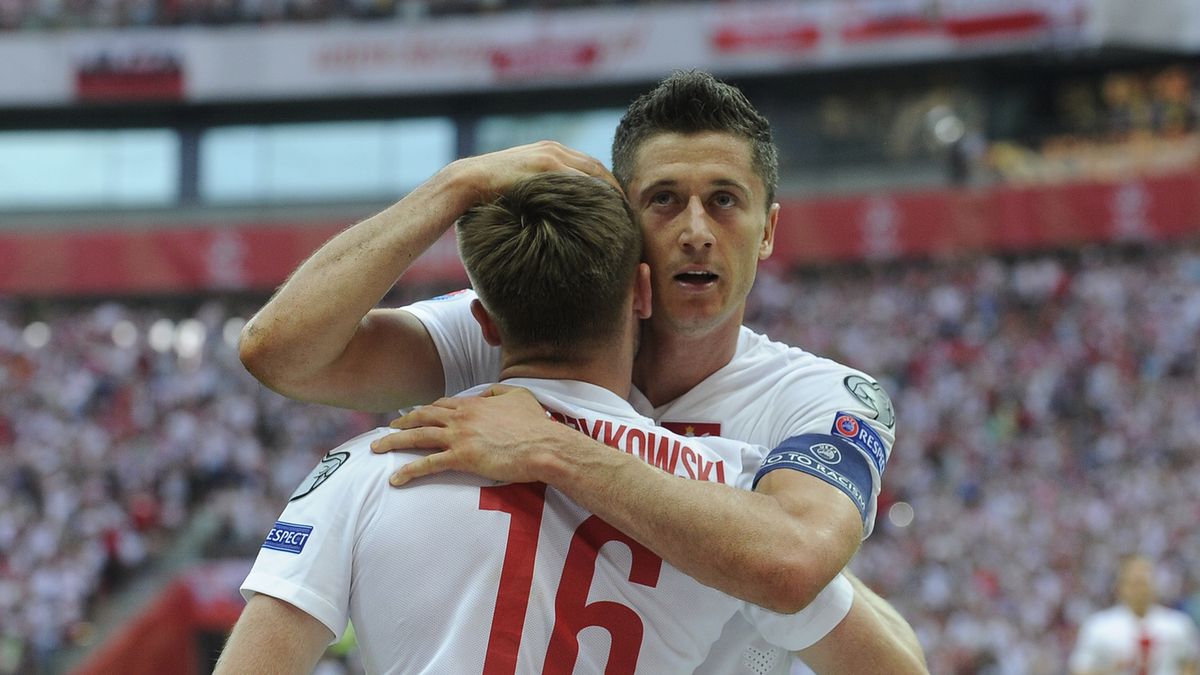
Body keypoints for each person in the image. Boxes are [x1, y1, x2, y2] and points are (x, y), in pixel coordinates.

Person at [239, 70, 926, 673]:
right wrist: (457, 183)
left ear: (767, 229)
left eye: (724, 200)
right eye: (664, 199)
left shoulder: (819, 396)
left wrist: (554, 447)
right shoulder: (523, 325)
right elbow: (280, 352)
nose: (695, 231)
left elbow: (794, 562)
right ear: (626, 220)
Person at [1070, 555, 1199, 675]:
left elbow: (1190, 665)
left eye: (1144, 582)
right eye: (1134, 583)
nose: (1140, 590)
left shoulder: (1177, 624)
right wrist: (1113, 670)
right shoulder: (1099, 626)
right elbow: (1079, 670)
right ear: (1120, 587)